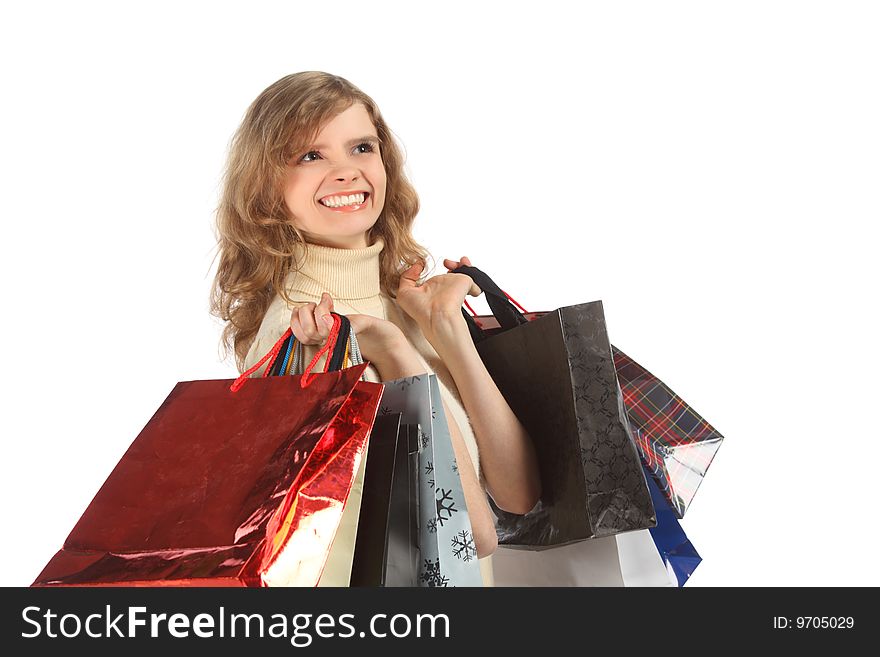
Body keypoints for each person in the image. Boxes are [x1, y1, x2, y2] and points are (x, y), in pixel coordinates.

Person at [209, 71, 540, 586]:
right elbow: (473, 534)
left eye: (361, 147)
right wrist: (397, 354)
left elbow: (519, 495)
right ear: (266, 188)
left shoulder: (402, 297)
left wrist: (449, 332)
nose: (346, 171)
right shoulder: (302, 336)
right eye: (310, 156)